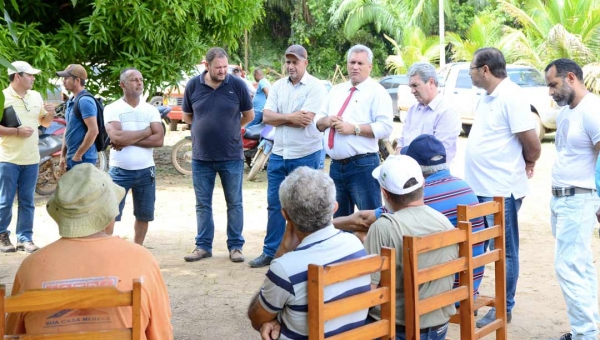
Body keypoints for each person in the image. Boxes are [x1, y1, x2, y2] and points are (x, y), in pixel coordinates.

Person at [5, 163, 172, 339]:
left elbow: (13, 334)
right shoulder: (142, 260)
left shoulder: (31, 266)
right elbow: (161, 334)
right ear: (108, 213)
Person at [334, 134, 485, 297]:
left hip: (439, 289)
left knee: (364, 235)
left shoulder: (419, 196)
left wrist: (328, 224)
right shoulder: (465, 188)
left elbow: (363, 220)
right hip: (467, 281)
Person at [464, 47, 541, 327]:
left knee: (505, 251)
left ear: (485, 69)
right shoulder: (486, 98)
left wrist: (529, 162)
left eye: (472, 69)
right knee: (479, 248)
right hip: (480, 187)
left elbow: (532, 144)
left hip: (500, 190)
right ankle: (472, 300)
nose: (470, 74)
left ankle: (503, 307)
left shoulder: (512, 96)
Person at [247, 166, 370, 339]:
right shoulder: (355, 245)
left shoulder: (285, 267)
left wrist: (282, 251)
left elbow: (257, 317)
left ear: (285, 215)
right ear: (334, 208)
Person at [248, 44, 326, 268]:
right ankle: (271, 252)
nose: (290, 66)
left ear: (305, 63)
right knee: (274, 205)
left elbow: (306, 121)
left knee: (305, 206)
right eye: (288, 62)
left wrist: (280, 117)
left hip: (305, 155)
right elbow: (267, 117)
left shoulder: (316, 87)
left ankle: (304, 255)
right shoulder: (279, 86)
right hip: (279, 155)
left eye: (295, 62)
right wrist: (291, 117)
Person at [364, 154, 458, 340]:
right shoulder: (444, 222)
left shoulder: (384, 227)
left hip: (398, 329)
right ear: (423, 185)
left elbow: (368, 293)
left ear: (385, 193)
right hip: (439, 327)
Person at [181, 47, 254, 263]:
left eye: (225, 67)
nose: (223, 71)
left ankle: (235, 247)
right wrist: (204, 129)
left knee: (234, 203)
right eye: (218, 68)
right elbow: (187, 116)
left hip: (231, 155)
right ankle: (203, 246)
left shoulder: (237, 84)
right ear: (207, 65)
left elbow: (249, 115)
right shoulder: (193, 85)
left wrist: (231, 127)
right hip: (201, 157)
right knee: (203, 204)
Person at [545, 59, 600, 340]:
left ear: (570, 78)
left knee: (567, 266)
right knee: (579, 265)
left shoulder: (593, 110)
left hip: (579, 199)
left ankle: (585, 335)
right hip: (561, 200)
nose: (550, 92)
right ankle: (589, 329)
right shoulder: (567, 112)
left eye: (553, 85)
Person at [316, 44, 393, 218]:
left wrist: (355, 129)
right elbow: (317, 121)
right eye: (352, 62)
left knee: (370, 219)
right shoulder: (336, 90)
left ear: (370, 67)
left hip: (363, 165)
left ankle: (372, 247)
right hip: (336, 166)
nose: (355, 67)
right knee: (339, 221)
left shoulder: (377, 93)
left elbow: (386, 127)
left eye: (360, 63)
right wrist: (328, 120)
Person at [104, 68, 164, 246]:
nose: (139, 83)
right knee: (111, 212)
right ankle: (106, 249)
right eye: (134, 80)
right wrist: (146, 131)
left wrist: (127, 139)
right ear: (123, 84)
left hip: (146, 171)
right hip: (119, 171)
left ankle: (138, 248)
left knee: (144, 214)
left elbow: (159, 139)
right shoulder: (112, 108)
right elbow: (116, 137)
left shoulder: (150, 110)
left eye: (141, 79)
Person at [0, 61, 55, 253]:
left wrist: (50, 113)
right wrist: (15, 132)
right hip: (7, 159)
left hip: (31, 158)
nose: (33, 78)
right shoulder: (3, 97)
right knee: (5, 200)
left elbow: (44, 123)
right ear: (17, 76)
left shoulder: (36, 96)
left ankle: (25, 238)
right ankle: (2, 235)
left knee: (27, 201)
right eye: (30, 75)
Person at [395, 62, 461, 164]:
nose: (412, 91)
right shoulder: (413, 109)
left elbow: (438, 154)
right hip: (407, 173)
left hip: (432, 175)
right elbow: (402, 141)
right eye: (410, 86)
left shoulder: (446, 112)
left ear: (431, 82)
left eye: (415, 85)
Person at [56, 64, 98, 171]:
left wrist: (78, 155)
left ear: (77, 80)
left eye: (66, 78)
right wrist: (63, 155)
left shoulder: (85, 101)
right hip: (73, 156)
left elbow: (93, 131)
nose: (63, 81)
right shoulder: (71, 101)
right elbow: (68, 129)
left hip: (84, 157)